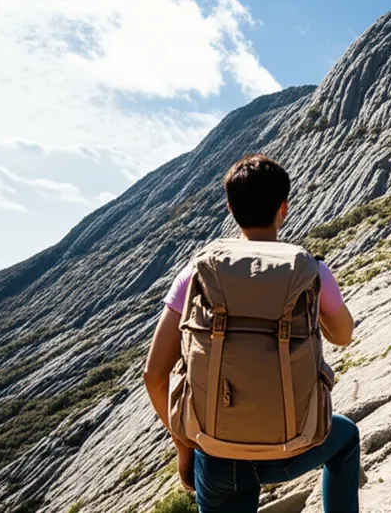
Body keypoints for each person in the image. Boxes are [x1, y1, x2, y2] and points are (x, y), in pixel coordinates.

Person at [143, 154, 360, 513]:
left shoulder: (196, 275)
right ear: (283, 208)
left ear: (230, 207)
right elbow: (343, 335)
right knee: (346, 437)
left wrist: (185, 446)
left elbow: (154, 374)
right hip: (294, 443)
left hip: (215, 452)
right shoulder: (311, 272)